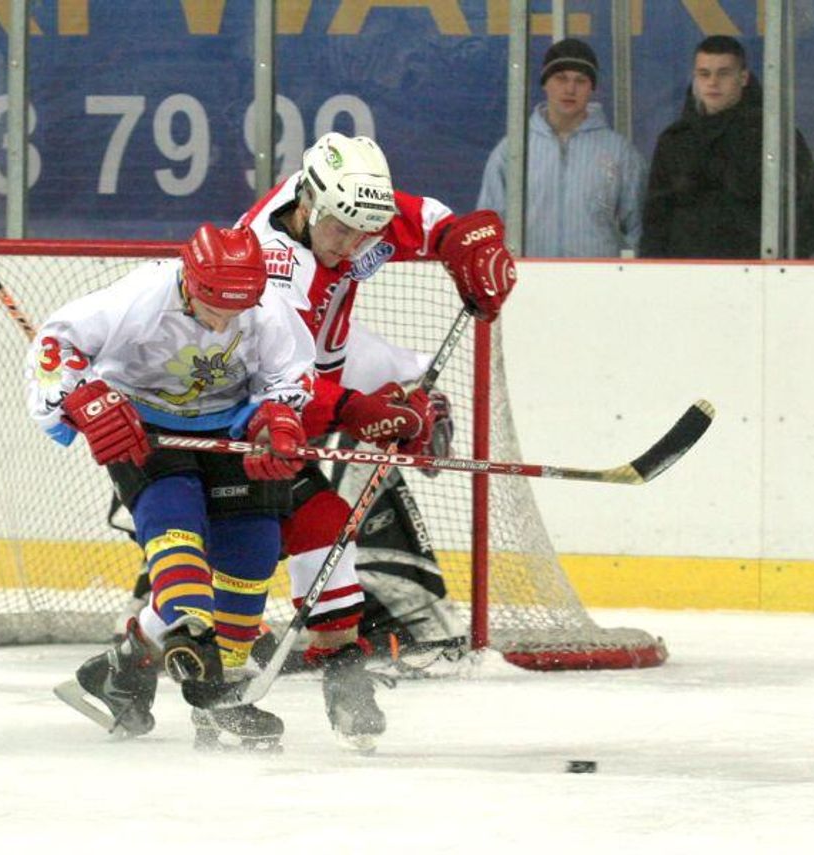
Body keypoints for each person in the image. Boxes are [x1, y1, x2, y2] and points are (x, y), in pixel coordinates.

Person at [234, 131, 517, 750]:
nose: (354, 246)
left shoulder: (339, 207)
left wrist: (462, 240)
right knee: (251, 546)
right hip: (251, 414)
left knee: (327, 519)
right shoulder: (275, 272)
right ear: (308, 205)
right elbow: (286, 388)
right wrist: (366, 414)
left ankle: (343, 670)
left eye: (366, 232)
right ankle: (138, 661)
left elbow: (420, 217)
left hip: (321, 360)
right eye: (343, 231)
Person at [32, 223, 316, 751]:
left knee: (254, 546)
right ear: (191, 282)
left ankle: (149, 673)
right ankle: (198, 651)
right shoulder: (142, 296)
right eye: (213, 307)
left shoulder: (267, 307)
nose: (224, 320)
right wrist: (83, 400)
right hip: (143, 427)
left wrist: (276, 419)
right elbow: (56, 343)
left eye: (236, 309)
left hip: (227, 425)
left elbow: (291, 375)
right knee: (175, 521)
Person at [641, 35, 814, 259]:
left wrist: (781, 264)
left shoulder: (774, 137)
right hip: (685, 275)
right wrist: (655, 270)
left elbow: (811, 209)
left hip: (758, 274)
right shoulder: (674, 141)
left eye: (723, 73)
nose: (713, 82)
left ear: (743, 77)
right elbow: (655, 220)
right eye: (704, 74)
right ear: (695, 77)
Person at [478, 37, 647, 258]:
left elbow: (638, 229)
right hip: (528, 275)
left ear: (592, 88)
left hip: (598, 277)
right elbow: (488, 225)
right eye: (561, 78)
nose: (570, 89)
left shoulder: (620, 152)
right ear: (545, 83)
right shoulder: (512, 149)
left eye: (581, 80)